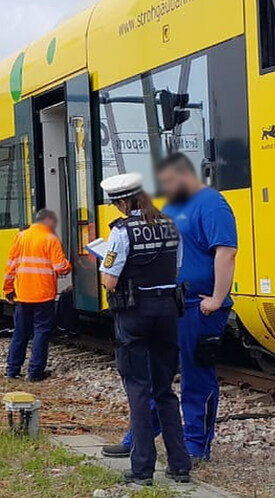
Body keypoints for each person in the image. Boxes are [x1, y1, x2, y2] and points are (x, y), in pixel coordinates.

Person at [102, 153, 237, 462]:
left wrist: (216, 299)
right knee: (155, 374)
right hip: (169, 303)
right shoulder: (174, 206)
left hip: (198, 304)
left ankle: (195, 445)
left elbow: (226, 252)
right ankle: (141, 436)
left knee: (196, 375)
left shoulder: (211, 204)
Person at [99, 172, 192, 486]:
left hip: (135, 312)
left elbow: (110, 280)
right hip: (167, 309)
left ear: (125, 201)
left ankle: (142, 469)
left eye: (117, 204)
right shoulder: (170, 225)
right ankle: (180, 466)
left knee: (139, 390)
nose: (117, 210)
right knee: (165, 390)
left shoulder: (122, 232)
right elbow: (175, 269)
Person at [3, 209, 72, 381]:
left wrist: (8, 289)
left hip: (23, 295)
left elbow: (10, 266)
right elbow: (60, 267)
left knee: (20, 332)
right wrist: (70, 265)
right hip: (43, 295)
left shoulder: (21, 237)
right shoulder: (51, 239)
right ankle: (35, 372)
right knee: (41, 331)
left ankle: (12, 370)